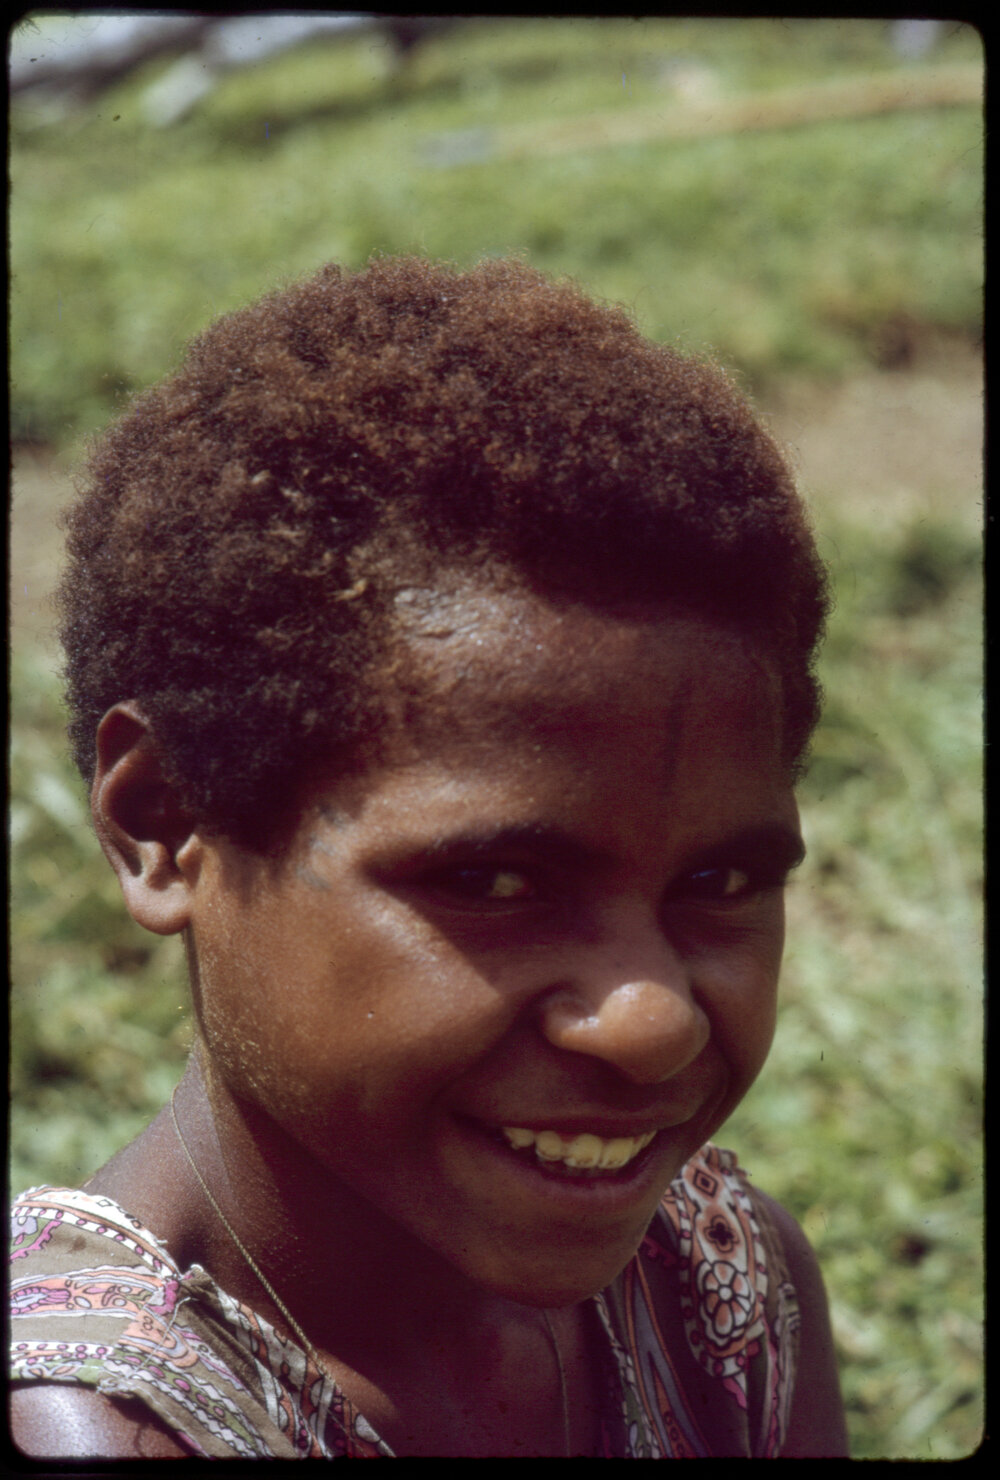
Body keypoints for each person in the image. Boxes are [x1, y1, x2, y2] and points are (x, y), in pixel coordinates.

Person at [9, 256, 848, 1458]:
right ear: (164, 823)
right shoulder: (99, 1433)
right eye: (495, 883)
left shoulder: (723, 1288)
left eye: (718, 884)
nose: (650, 1021)